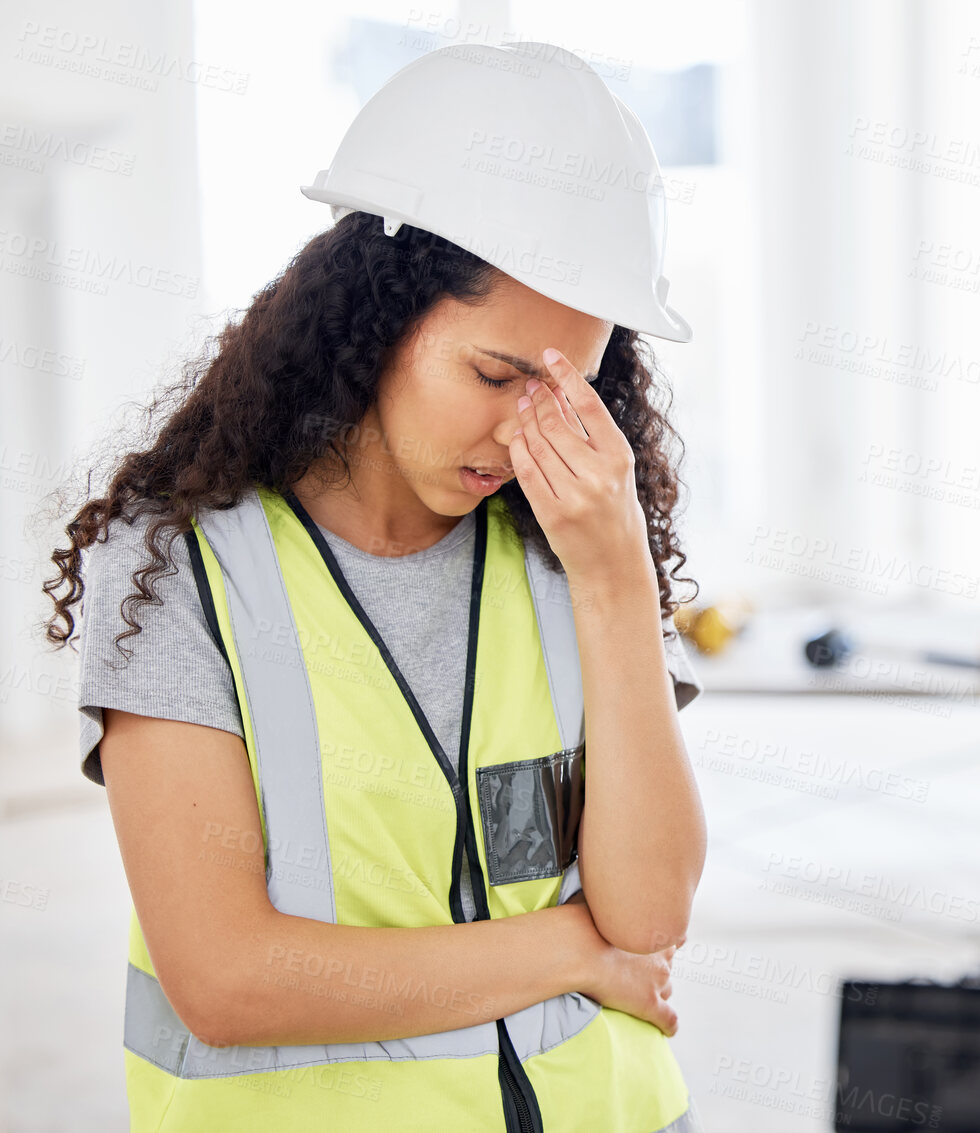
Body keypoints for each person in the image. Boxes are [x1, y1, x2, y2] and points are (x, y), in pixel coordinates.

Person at [40, 41, 708, 1133]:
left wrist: (618, 581)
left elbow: (649, 910)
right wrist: (571, 947)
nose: (520, 432)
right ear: (377, 319)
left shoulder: (572, 549)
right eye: (493, 374)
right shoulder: (183, 567)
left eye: (567, 389)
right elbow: (227, 979)